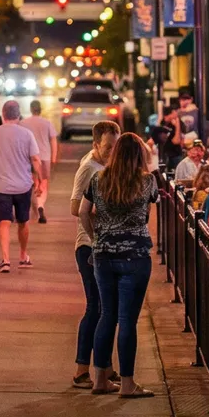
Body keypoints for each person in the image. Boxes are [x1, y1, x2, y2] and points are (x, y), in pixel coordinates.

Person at [79, 132, 157, 399]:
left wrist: (96, 237)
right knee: (127, 321)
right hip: (135, 256)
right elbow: (147, 214)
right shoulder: (147, 182)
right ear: (139, 156)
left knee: (107, 315)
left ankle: (100, 379)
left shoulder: (98, 179)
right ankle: (127, 383)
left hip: (103, 255)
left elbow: (82, 211)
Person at [69, 119, 118, 390]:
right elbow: (76, 207)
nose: (112, 152)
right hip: (88, 245)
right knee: (96, 308)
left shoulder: (106, 166)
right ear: (95, 144)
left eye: (115, 146)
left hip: (102, 244)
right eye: (108, 147)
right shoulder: (88, 168)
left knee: (106, 310)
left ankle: (106, 368)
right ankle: (81, 370)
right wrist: (107, 212)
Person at [0, 100, 45, 271]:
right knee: (23, 221)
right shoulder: (27, 134)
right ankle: (23, 256)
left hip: (1, 186)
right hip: (24, 185)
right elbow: (36, 160)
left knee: (4, 222)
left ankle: (6, 260)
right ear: (18, 115)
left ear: (3, 114)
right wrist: (38, 181)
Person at [20, 100, 59, 224]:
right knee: (43, 184)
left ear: (31, 109)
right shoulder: (47, 123)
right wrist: (53, 157)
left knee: (31, 183)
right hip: (44, 157)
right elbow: (53, 140)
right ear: (40, 109)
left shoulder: (23, 123)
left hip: (28, 157)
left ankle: (34, 209)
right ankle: (40, 206)